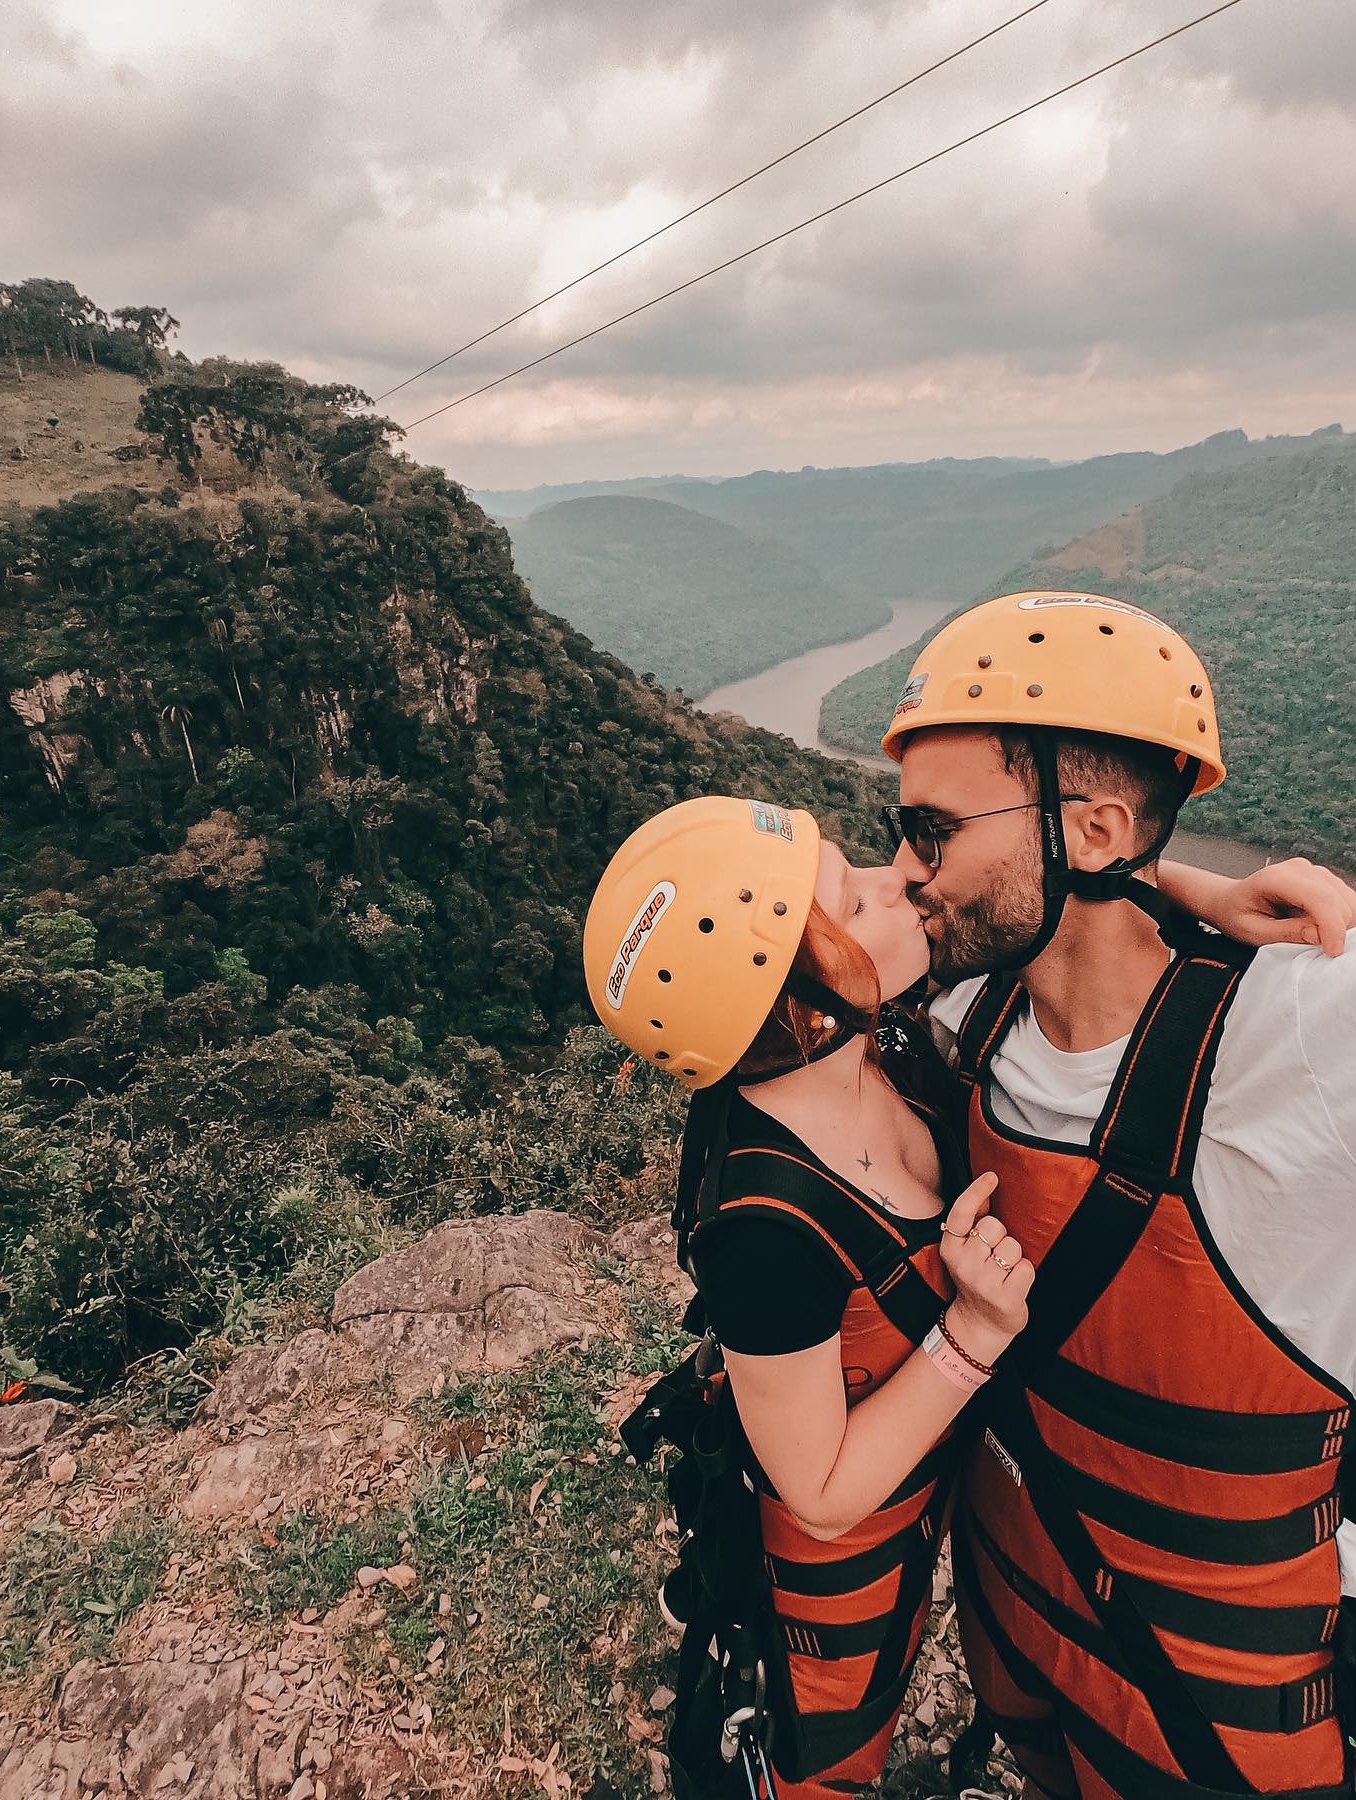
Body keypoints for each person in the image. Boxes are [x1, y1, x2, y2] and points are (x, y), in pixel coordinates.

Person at [581, 791, 1348, 1798]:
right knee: (826, 1746)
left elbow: (1027, 903)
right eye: (851, 904)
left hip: (961, 1493)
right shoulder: (762, 1231)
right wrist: (972, 1334)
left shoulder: (878, 1039)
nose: (893, 879)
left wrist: (1198, 890)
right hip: (849, 1543)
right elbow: (821, 1493)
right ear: (798, 1003)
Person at [879, 588, 1356, 1799]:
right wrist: (1179, 881)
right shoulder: (965, 1011)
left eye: (931, 833)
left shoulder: (1300, 1038)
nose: (903, 870)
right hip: (1026, 1625)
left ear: (1090, 831)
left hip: (1209, 1724)